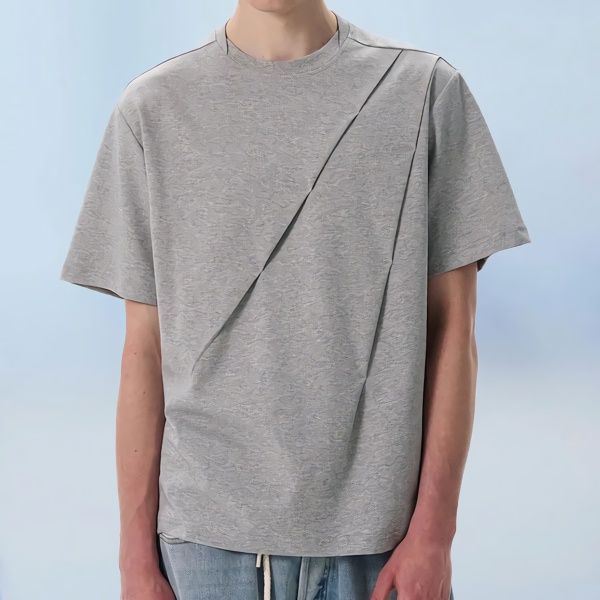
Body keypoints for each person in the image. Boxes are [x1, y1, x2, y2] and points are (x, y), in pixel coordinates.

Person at [59, 1, 532, 599]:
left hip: (378, 541)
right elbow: (144, 352)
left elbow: (453, 331)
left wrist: (434, 537)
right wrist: (134, 563)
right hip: (203, 543)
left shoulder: (424, 92)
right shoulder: (151, 109)